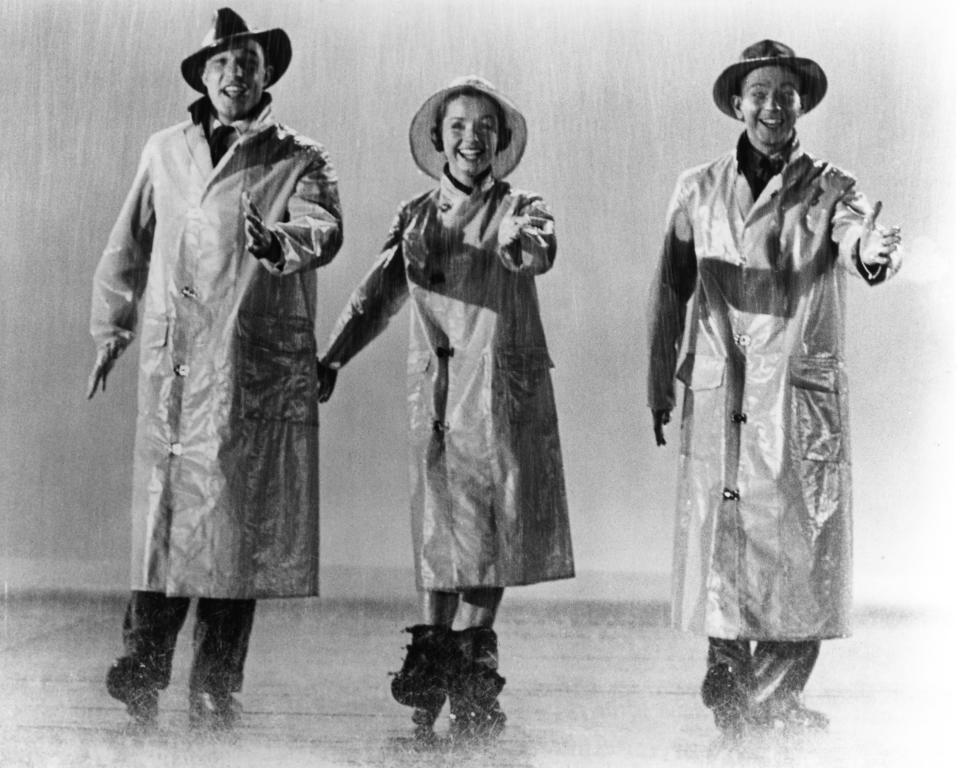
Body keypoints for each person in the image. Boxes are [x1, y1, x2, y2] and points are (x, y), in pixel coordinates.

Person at [87, 8, 342, 731]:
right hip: (177, 363)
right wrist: (112, 326)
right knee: (164, 524)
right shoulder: (164, 150)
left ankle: (215, 687)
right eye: (222, 62)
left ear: (268, 73)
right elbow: (127, 243)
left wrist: (279, 241)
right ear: (202, 74)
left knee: (236, 536)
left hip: (245, 363)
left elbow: (324, 226)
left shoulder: (299, 155)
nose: (236, 73)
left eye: (249, 61)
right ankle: (140, 669)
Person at [647, 40, 901, 740]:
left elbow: (858, 238)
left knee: (805, 546)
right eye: (758, 92)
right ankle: (729, 676)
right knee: (725, 537)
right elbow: (671, 283)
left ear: (801, 105)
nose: (771, 105)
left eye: (784, 93)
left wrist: (875, 252)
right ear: (737, 102)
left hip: (796, 391)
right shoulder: (697, 187)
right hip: (720, 384)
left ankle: (776, 695)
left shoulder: (830, 186)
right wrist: (656, 378)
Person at [316, 75, 574, 742]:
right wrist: (333, 357)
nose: (470, 138)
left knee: (492, 533)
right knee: (438, 528)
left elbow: (537, 250)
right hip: (436, 391)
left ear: (500, 140)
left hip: (501, 394)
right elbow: (376, 292)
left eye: (483, 126)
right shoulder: (415, 216)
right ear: (439, 140)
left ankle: (474, 667)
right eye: (458, 126)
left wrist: (518, 238)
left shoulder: (524, 205)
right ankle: (431, 658)